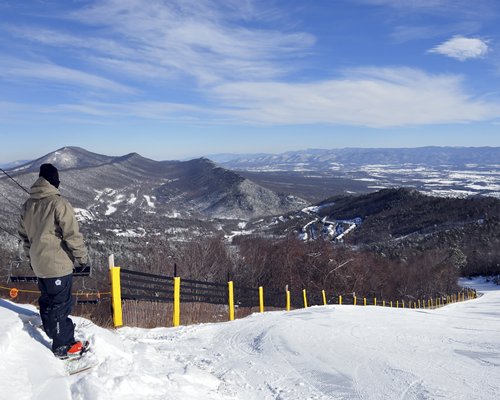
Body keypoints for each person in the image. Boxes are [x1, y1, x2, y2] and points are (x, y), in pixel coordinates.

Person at [18, 163, 89, 358]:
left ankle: (53, 331)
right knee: (60, 305)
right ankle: (63, 345)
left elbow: (24, 238)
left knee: (47, 301)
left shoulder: (27, 205)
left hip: (39, 265)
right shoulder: (58, 204)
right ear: (54, 181)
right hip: (57, 266)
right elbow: (72, 235)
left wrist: (30, 257)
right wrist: (82, 258)